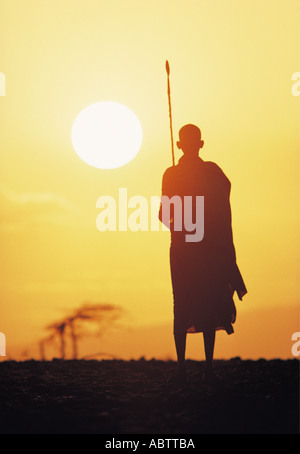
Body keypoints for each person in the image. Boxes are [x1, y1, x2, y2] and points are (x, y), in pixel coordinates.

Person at [159, 124, 247, 385]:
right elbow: (165, 215)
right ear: (199, 144)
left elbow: (164, 216)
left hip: (193, 247)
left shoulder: (206, 173)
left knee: (187, 302)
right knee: (195, 301)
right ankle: (199, 368)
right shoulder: (183, 174)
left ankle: (189, 369)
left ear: (182, 145)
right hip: (193, 248)